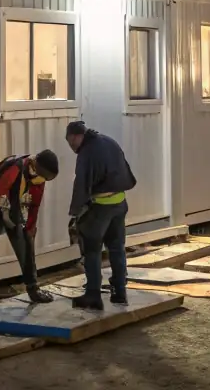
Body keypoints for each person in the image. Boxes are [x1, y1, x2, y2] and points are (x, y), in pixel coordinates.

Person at [0, 149, 60, 307]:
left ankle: (33, 289)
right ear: (37, 165)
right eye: (45, 175)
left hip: (11, 206)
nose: (44, 180)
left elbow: (34, 204)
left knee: (25, 244)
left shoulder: (40, 177)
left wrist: (30, 227)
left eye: (47, 178)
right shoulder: (15, 169)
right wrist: (7, 218)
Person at [65, 120, 136, 310]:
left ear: (75, 137)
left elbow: (81, 185)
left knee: (92, 250)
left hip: (100, 208)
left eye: (71, 143)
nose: (72, 148)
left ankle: (93, 295)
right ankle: (120, 293)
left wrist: (75, 214)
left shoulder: (87, 153)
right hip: (120, 203)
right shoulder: (109, 141)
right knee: (116, 247)